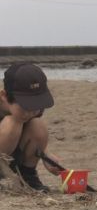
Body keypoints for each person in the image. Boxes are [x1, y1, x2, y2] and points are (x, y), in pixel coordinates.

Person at [0, 63, 61, 192]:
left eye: (35, 105)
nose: (30, 112)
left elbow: (33, 130)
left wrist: (46, 155)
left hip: (11, 158)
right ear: (4, 96)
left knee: (37, 124)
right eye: (25, 106)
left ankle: (27, 177)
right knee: (13, 122)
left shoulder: (32, 112)